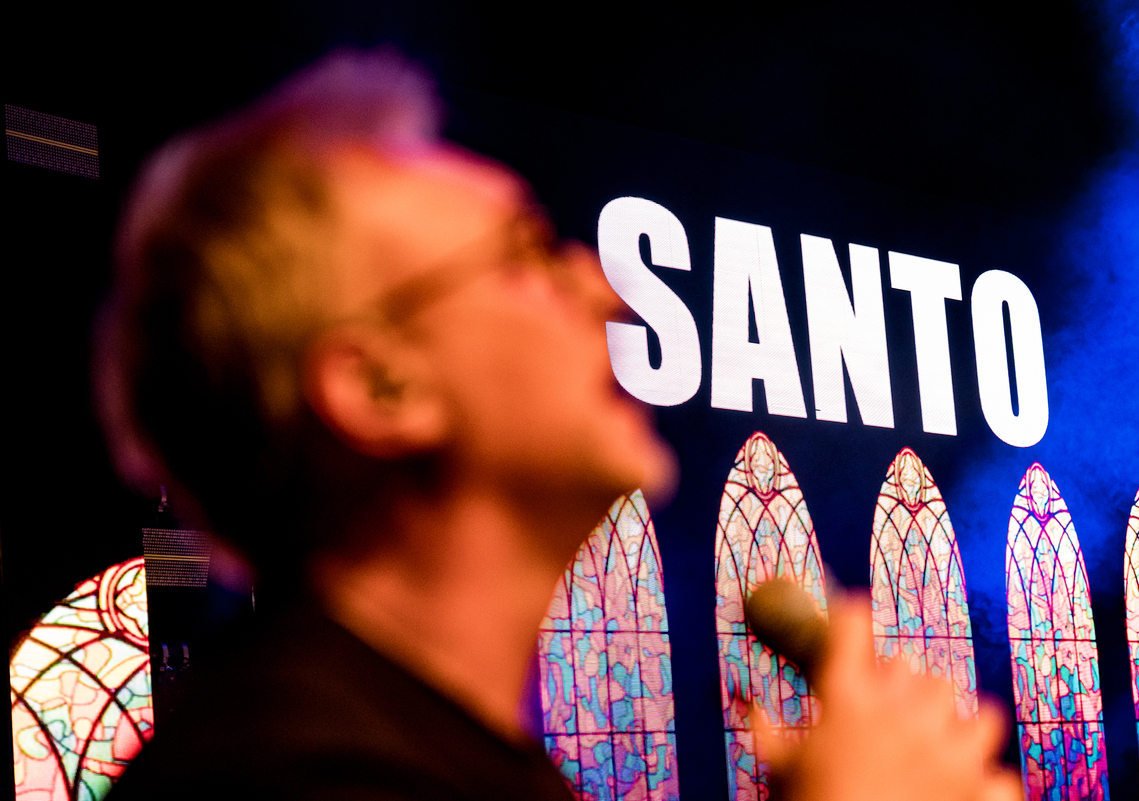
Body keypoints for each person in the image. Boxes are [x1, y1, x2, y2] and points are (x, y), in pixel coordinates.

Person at [97, 51, 1021, 801]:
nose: (608, 292)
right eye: (526, 255)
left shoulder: (460, 760)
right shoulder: (278, 775)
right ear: (380, 387)